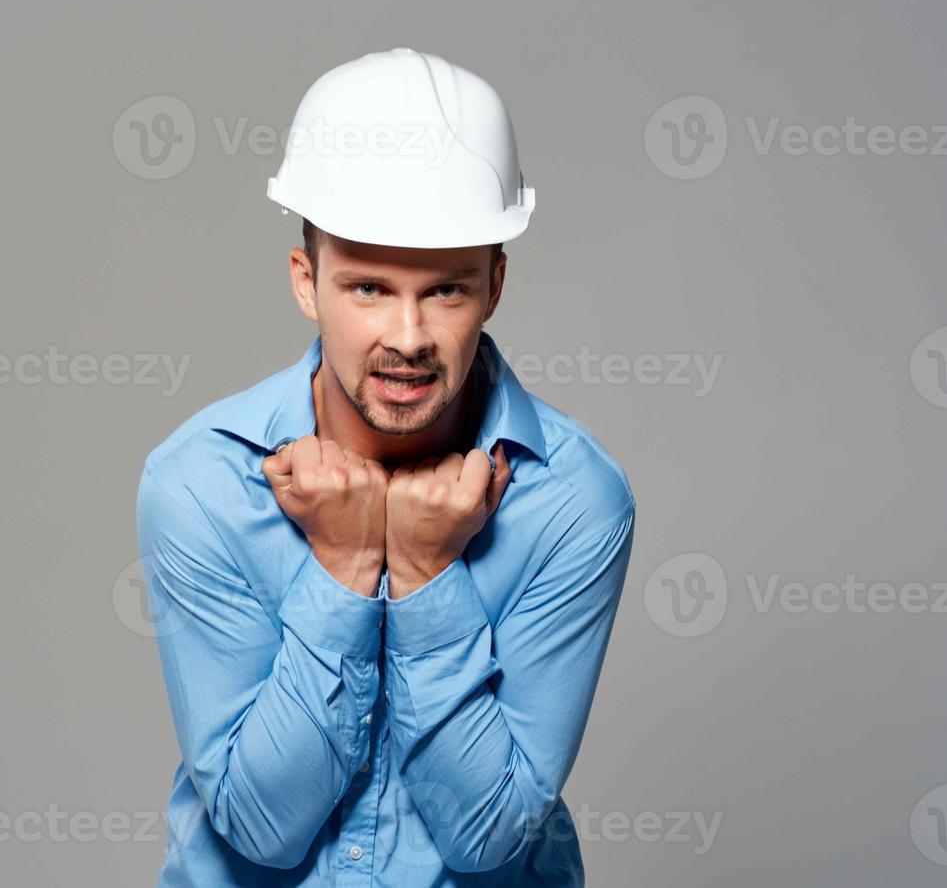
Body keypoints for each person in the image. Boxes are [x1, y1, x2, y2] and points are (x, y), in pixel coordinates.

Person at [135, 48, 635, 886]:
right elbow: (261, 826)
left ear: (495, 284)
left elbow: (489, 833)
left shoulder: (574, 501)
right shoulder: (200, 486)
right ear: (308, 282)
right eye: (368, 288)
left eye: (445, 290)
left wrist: (426, 573)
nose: (407, 336)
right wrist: (342, 565)